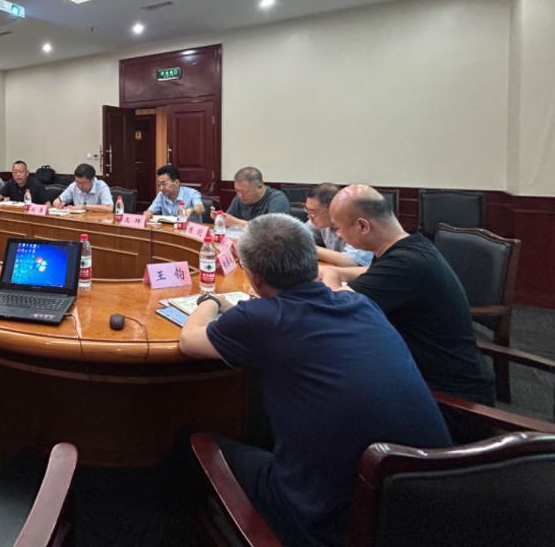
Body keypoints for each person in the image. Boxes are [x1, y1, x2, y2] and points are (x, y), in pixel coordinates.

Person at [179, 214, 451, 547]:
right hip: (430, 503)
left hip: (334, 524)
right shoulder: (361, 304)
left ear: (253, 277)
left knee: (190, 441)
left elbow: (189, 340)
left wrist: (210, 301)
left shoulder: (259, 318)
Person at [321, 185, 495, 408]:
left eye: (338, 229)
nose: (338, 235)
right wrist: (337, 272)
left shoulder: (406, 263)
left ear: (363, 226)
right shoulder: (411, 246)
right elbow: (372, 273)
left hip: (448, 399)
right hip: (418, 373)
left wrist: (330, 275)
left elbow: (337, 307)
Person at [304, 183, 373, 267]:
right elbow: (299, 237)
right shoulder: (321, 221)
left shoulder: (359, 225)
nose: (309, 216)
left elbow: (352, 262)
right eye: (307, 210)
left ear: (334, 209)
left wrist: (310, 249)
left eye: (313, 211)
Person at [220, 167, 291, 227]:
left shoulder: (277, 199)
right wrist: (220, 218)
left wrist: (236, 222)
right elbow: (227, 221)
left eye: (246, 192)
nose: (240, 195)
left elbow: (272, 229)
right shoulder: (239, 198)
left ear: (260, 187)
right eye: (237, 191)